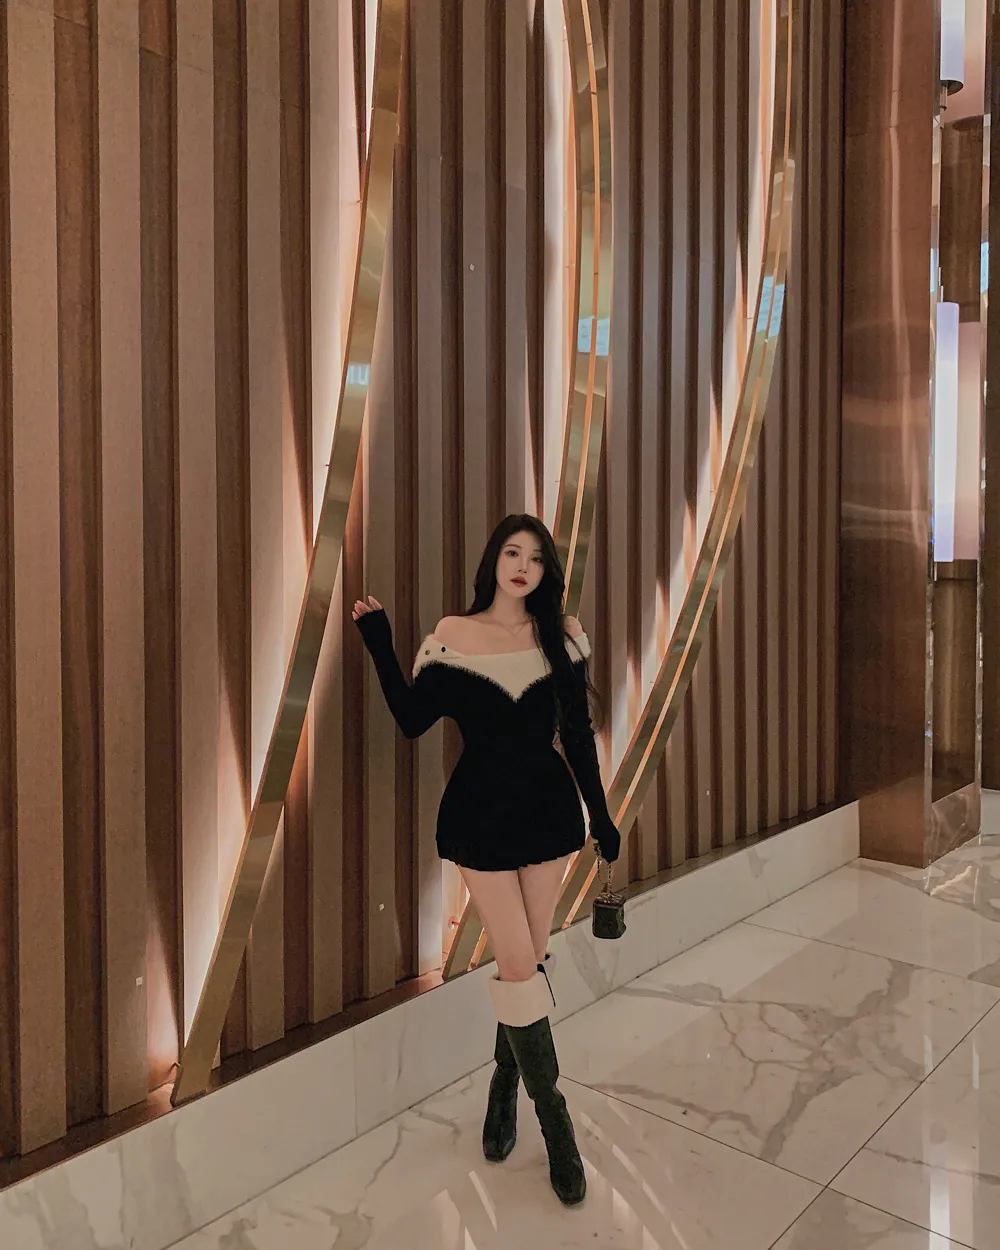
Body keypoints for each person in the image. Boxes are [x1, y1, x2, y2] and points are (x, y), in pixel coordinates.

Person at [352, 513, 621, 1207]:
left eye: (536, 557)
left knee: (526, 958)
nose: (523, 566)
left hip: (548, 814)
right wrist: (380, 643)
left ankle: (505, 1082)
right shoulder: (453, 636)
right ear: (493, 562)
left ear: (546, 570)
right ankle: (556, 1124)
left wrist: (601, 815)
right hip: (479, 815)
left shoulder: (561, 638)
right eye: (512, 552)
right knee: (519, 962)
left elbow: (578, 737)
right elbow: (412, 719)